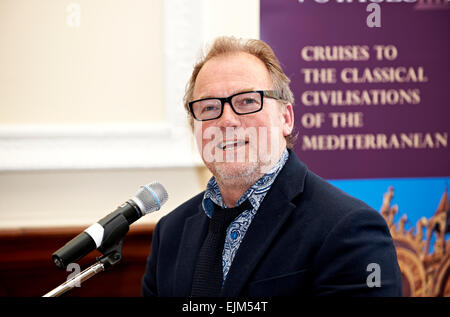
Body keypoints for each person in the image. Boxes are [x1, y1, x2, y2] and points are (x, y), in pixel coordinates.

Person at [142, 36, 402, 297]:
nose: (226, 120)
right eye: (209, 107)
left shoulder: (350, 228)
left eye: (247, 101)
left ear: (285, 118)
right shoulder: (170, 234)